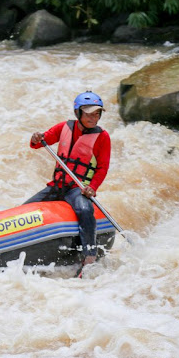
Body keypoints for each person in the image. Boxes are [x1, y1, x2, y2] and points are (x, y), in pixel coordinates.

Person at [24, 91, 111, 266]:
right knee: (25, 211)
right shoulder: (64, 127)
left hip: (77, 189)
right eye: (89, 113)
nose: (93, 117)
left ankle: (90, 256)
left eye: (97, 113)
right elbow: (38, 143)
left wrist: (92, 188)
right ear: (78, 112)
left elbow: (102, 168)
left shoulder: (102, 137)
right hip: (57, 186)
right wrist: (36, 137)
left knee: (85, 211)